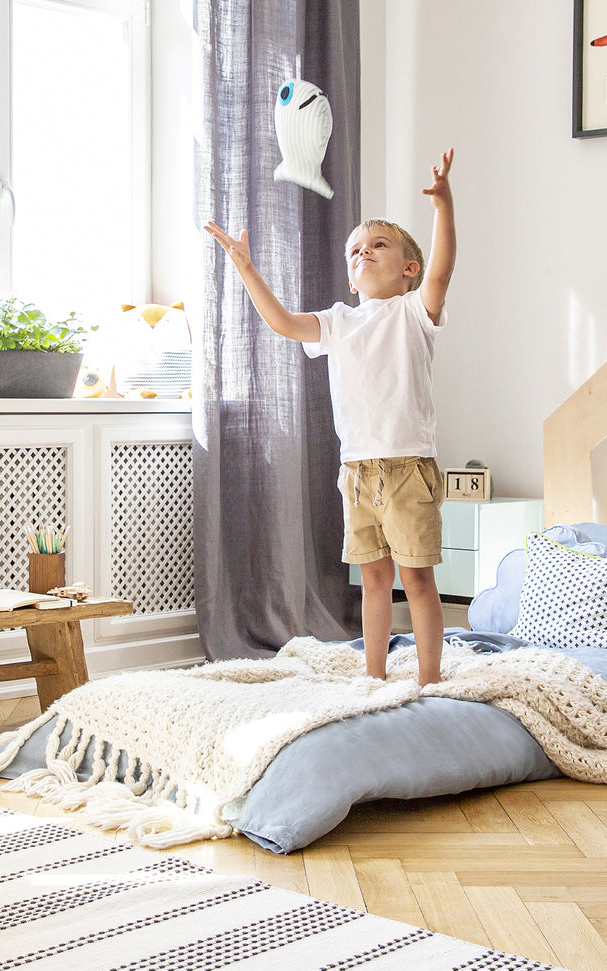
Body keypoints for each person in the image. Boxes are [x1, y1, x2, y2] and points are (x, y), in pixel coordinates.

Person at [205, 149, 456, 686]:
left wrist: (443, 207)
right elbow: (282, 323)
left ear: (407, 269)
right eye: (354, 251)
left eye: (378, 246)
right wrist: (247, 267)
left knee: (416, 578)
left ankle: (430, 679)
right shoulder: (338, 320)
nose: (363, 253)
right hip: (358, 471)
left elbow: (442, 268)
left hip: (408, 465)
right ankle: (373, 677)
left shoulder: (414, 312)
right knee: (372, 578)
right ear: (349, 276)